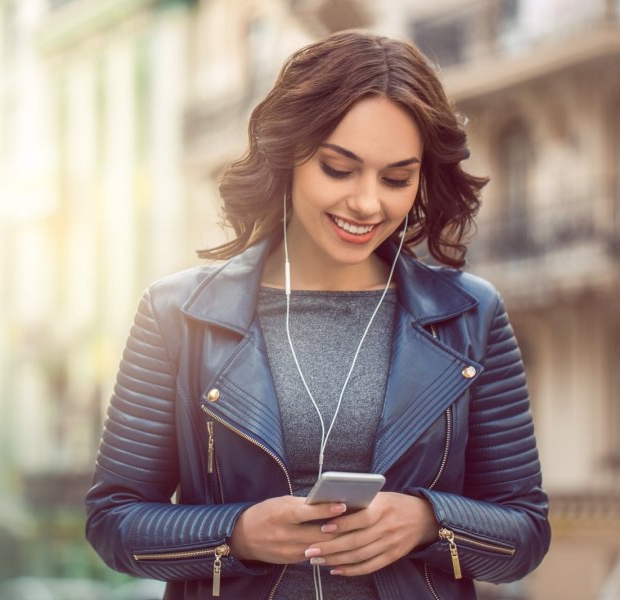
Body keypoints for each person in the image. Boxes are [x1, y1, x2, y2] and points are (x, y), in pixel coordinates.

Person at [85, 29, 550, 599]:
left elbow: (526, 531)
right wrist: (235, 534)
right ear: (290, 156)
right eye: (338, 168)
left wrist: (428, 521)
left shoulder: (471, 315)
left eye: (397, 178)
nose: (367, 202)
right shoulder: (177, 314)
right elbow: (112, 522)